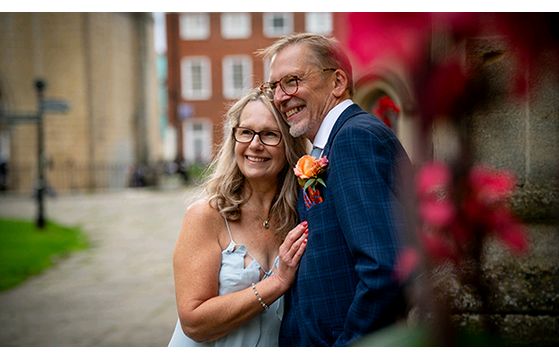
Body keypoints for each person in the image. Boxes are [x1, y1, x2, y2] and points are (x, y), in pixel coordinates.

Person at [258, 33, 411, 346]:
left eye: (291, 81)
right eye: (274, 87)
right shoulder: (333, 144)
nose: (280, 97)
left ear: (338, 82)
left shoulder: (355, 139)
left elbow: (383, 269)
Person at [168, 88, 309, 346]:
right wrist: (277, 282)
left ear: (289, 144)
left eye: (269, 134)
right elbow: (193, 322)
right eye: (246, 132)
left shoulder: (301, 215)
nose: (255, 144)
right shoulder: (206, 216)